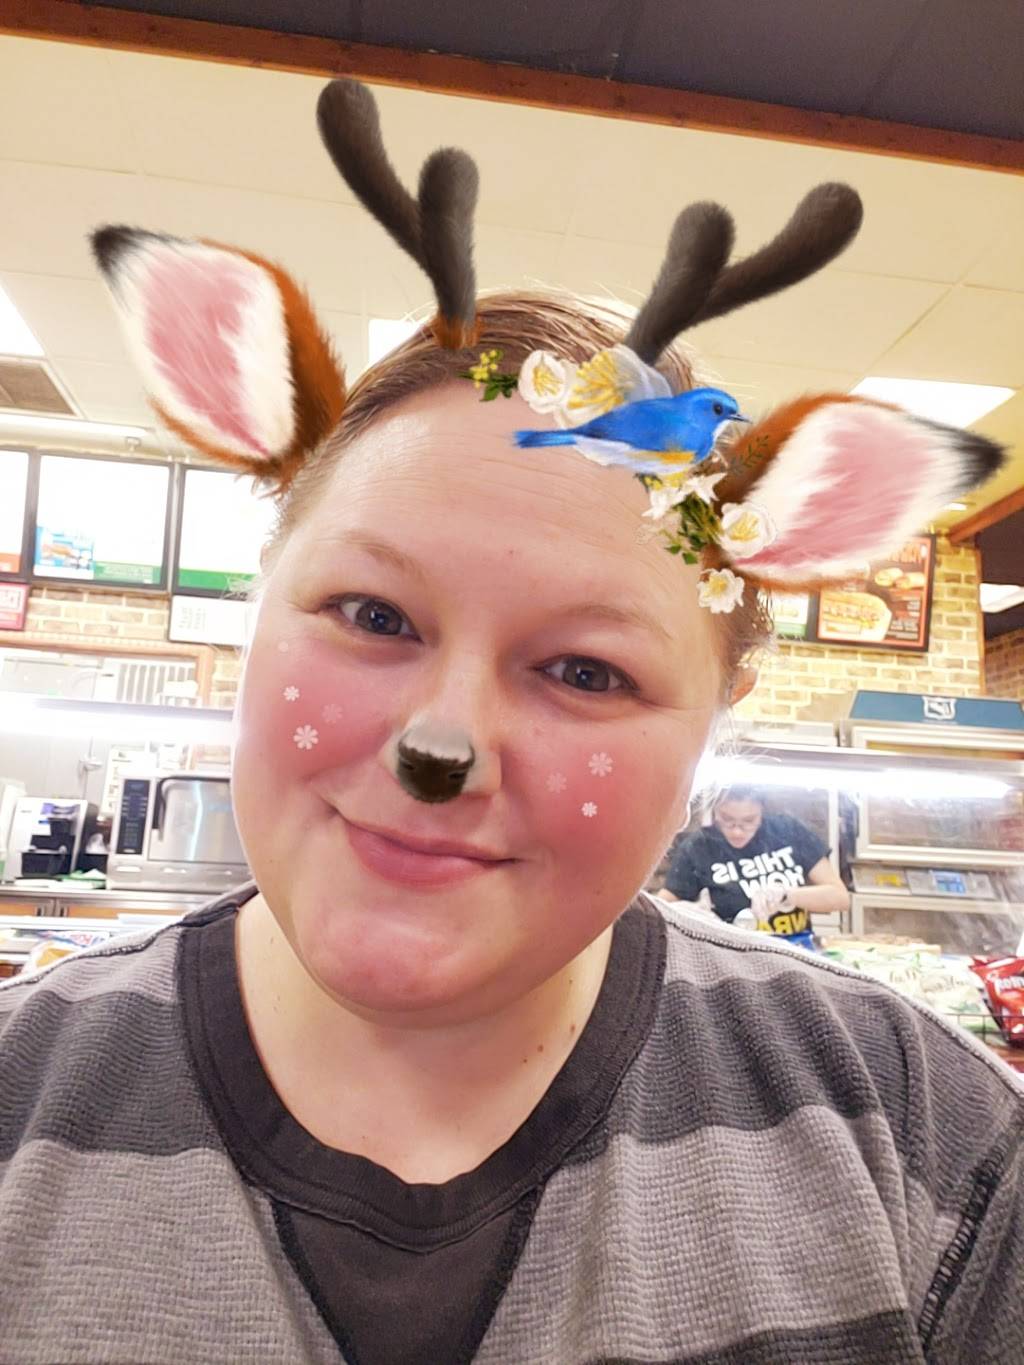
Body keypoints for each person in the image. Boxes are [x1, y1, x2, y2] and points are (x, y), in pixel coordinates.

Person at [0, 79, 1019, 1365]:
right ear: (260, 612)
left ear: (717, 727)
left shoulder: (926, 1145)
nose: (442, 747)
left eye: (586, 672)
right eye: (373, 615)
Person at [662, 785, 850, 940]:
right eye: (727, 819)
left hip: (796, 947)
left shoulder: (787, 831)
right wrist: (690, 913)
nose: (737, 831)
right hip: (735, 951)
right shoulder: (699, 847)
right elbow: (662, 907)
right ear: (715, 811)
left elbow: (840, 897)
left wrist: (787, 895)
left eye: (749, 821)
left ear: (761, 811)